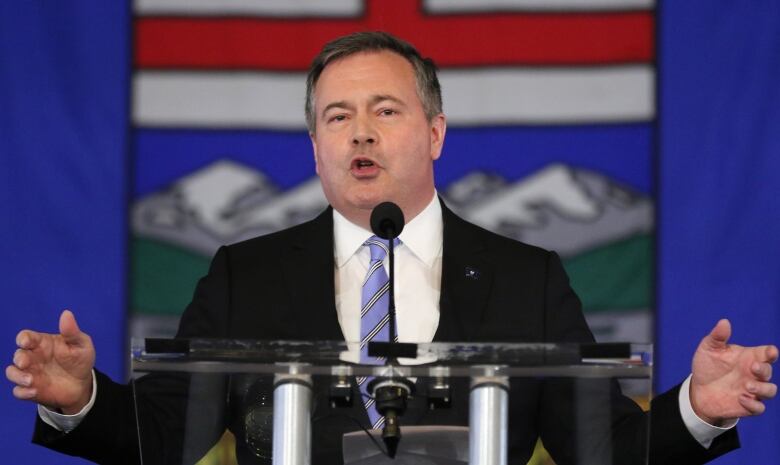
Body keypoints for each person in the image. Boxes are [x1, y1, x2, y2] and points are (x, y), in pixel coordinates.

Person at [6, 31, 777, 465]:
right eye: (337, 116)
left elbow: (605, 448)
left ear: (435, 131)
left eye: (385, 109)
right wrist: (85, 398)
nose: (362, 132)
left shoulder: (526, 277)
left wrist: (697, 409)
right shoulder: (247, 274)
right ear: (315, 146)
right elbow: (164, 432)